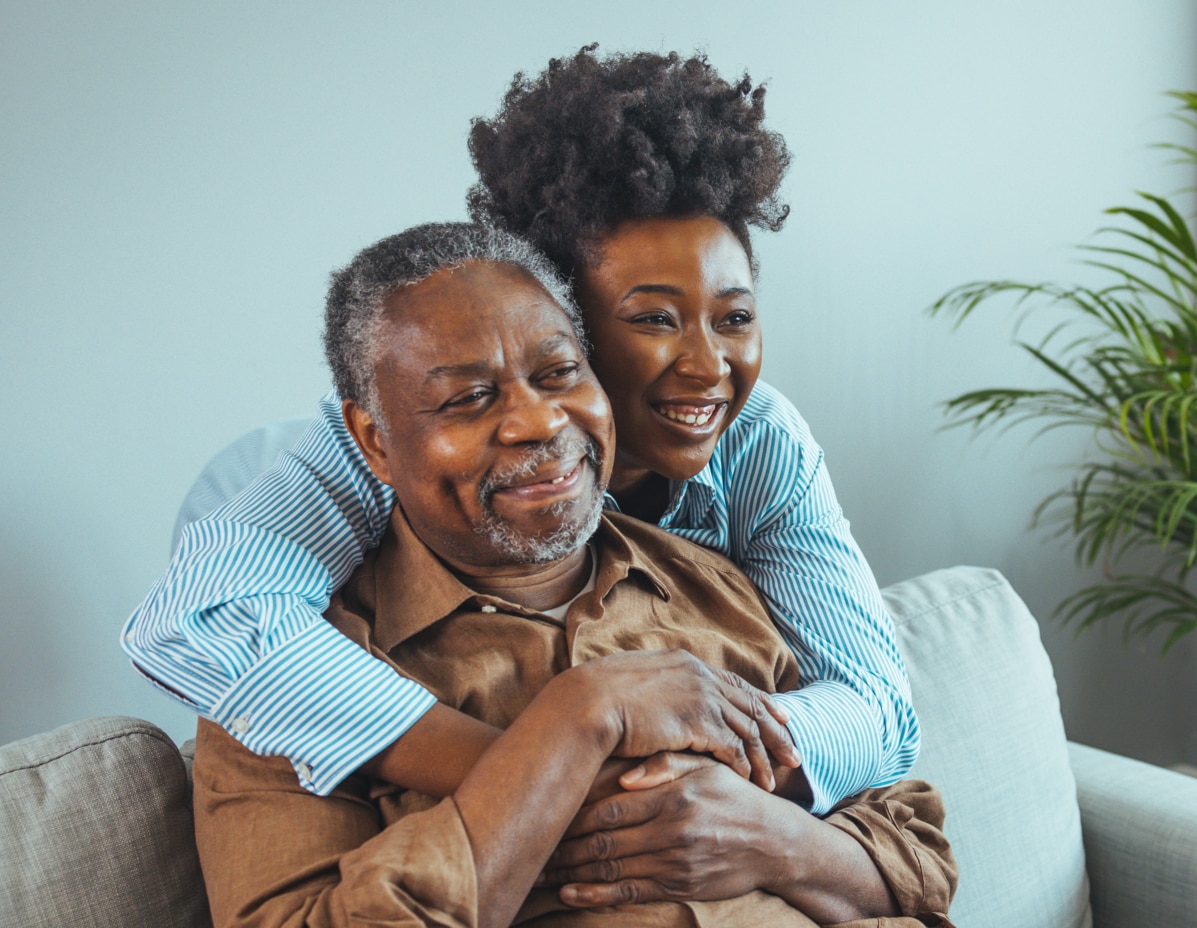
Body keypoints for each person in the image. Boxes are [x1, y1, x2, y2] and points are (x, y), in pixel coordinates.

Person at [123, 47, 916, 822]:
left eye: (734, 317)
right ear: (556, 321)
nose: (709, 367)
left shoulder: (760, 437)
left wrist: (696, 786)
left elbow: (879, 709)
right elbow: (198, 617)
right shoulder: (386, 442)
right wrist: (547, 777)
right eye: (652, 320)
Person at [193, 221, 956, 928]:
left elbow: (918, 860)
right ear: (374, 440)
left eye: (559, 372)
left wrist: (769, 838)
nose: (539, 421)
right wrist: (576, 721)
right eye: (468, 398)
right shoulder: (278, 685)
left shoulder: (712, 580)